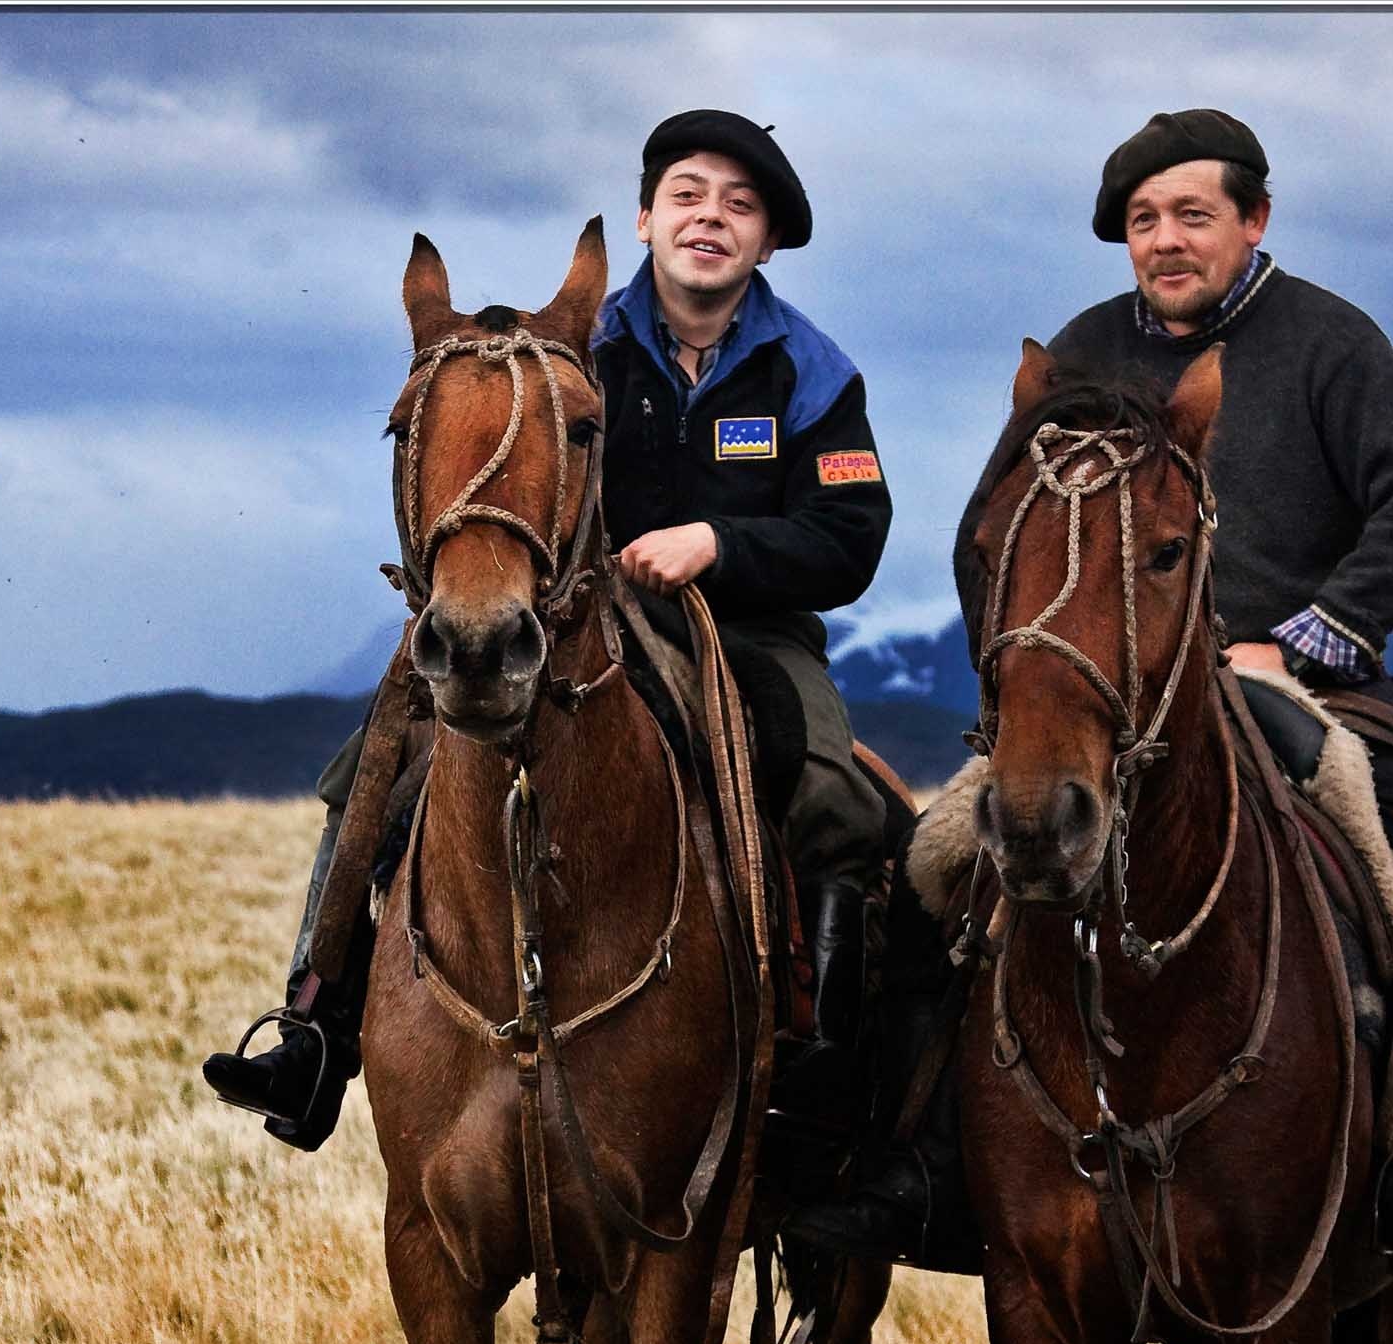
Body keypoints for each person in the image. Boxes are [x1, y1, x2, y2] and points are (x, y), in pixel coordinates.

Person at [802, 108, 1393, 1271]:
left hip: (1296, 680)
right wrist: (1025, 676)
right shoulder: (1078, 355)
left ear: (1253, 219)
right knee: (934, 863)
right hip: (1102, 701)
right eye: (1144, 221)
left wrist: (1301, 643)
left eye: (1193, 213)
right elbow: (995, 530)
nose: (1167, 239)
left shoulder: (1335, 343)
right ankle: (921, 1157)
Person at [206, 109, 897, 1149]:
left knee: (840, 801)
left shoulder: (814, 371)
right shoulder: (566, 356)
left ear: (765, 241)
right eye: (688, 195)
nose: (712, 216)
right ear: (647, 218)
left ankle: (820, 1077)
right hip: (576, 623)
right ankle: (314, 1035)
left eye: (740, 205)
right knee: (374, 769)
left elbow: (851, 537)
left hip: (750, 635)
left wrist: (717, 544)